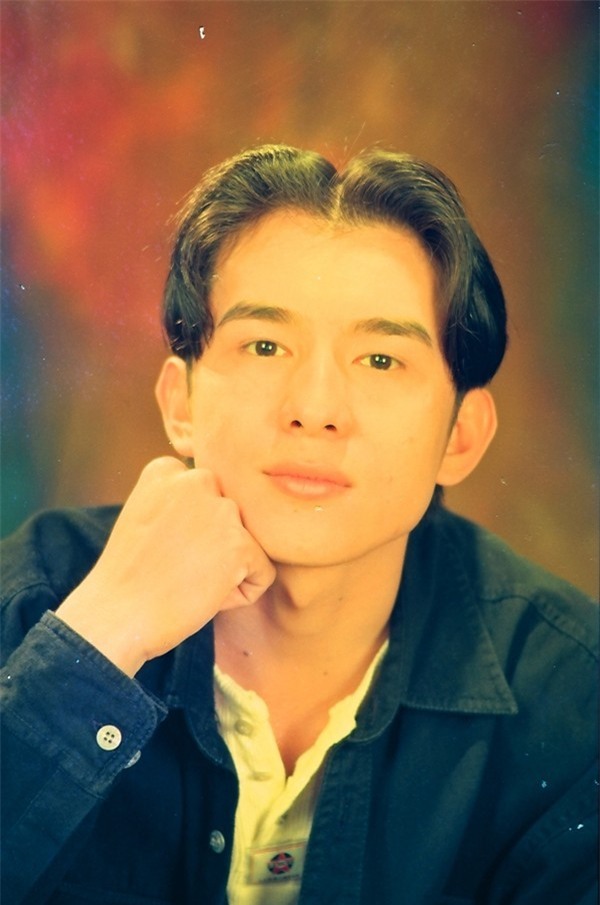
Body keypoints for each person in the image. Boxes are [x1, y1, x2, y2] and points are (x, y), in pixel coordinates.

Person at [1, 144, 597, 905]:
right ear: (181, 404)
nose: (315, 408)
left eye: (380, 360)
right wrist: (103, 637)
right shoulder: (30, 601)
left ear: (461, 436)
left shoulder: (571, 695)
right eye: (265, 345)